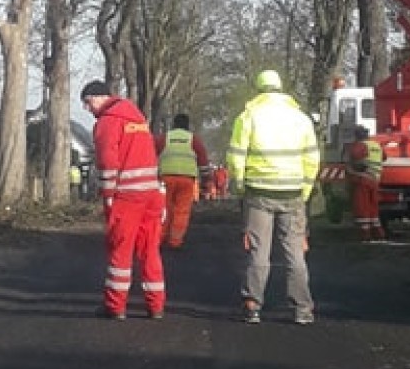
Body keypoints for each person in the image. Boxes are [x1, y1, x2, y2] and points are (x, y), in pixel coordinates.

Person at [226, 68, 319, 325]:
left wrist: (241, 187)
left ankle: (253, 305)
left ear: (259, 88)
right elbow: (312, 159)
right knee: (295, 253)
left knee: (259, 252)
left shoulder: (248, 116)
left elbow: (236, 157)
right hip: (293, 193)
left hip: (259, 193)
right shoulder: (301, 119)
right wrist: (306, 190)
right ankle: (302, 309)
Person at [80, 79, 166, 319]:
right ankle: (156, 306)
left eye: (88, 103)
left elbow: (108, 161)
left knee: (121, 250)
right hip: (151, 194)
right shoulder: (138, 119)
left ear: (100, 97)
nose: (88, 109)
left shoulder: (107, 123)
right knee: (150, 251)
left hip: (127, 197)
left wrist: (107, 195)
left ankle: (115, 306)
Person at [154, 112, 212, 249]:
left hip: (165, 179)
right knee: (182, 210)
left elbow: (151, 156)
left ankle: (159, 238)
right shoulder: (193, 140)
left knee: (164, 209)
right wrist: (206, 182)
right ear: (188, 125)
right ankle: (175, 241)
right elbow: (203, 163)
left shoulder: (164, 138)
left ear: (174, 125)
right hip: (187, 180)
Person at [345, 124, 386, 241]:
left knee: (362, 207)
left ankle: (365, 234)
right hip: (375, 179)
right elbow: (384, 157)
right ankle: (378, 232)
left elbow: (353, 156)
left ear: (357, 136)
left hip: (363, 179)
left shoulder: (360, 146)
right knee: (373, 207)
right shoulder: (376, 145)